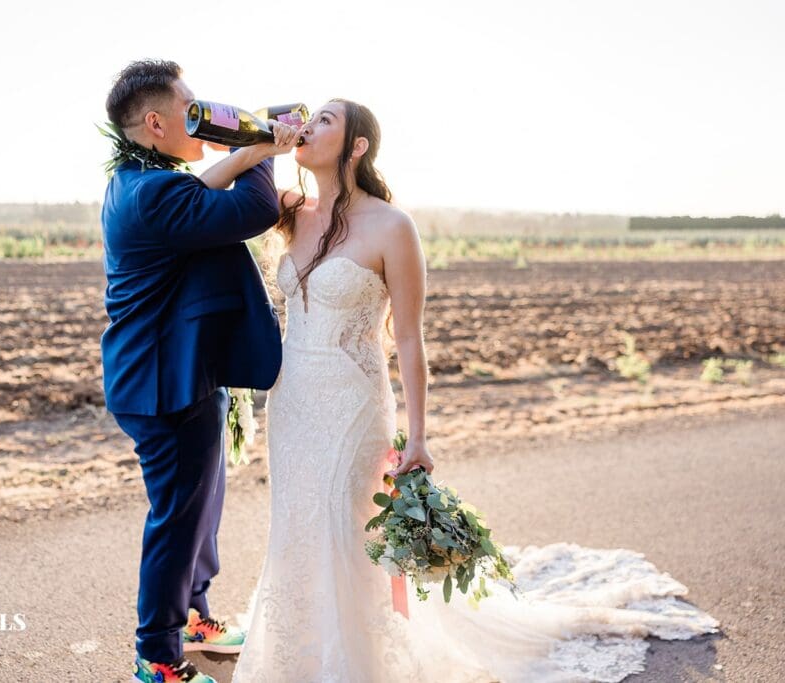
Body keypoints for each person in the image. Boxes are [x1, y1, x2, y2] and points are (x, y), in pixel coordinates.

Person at [232, 99, 719, 682]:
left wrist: (419, 437)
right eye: (309, 119)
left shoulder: (392, 225)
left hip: (353, 406)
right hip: (293, 402)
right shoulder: (288, 209)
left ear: (357, 146)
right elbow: (219, 182)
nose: (310, 127)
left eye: (326, 120)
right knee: (296, 525)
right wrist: (268, 140)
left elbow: (408, 340)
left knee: (344, 526)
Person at [99, 59, 301, 683]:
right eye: (191, 109)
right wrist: (261, 147)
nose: (202, 116)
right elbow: (256, 210)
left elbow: (206, 185)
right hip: (164, 383)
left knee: (203, 503)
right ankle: (157, 657)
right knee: (179, 516)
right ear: (156, 122)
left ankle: (192, 615)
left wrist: (240, 154)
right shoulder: (158, 194)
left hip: (175, 372)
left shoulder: (136, 180)